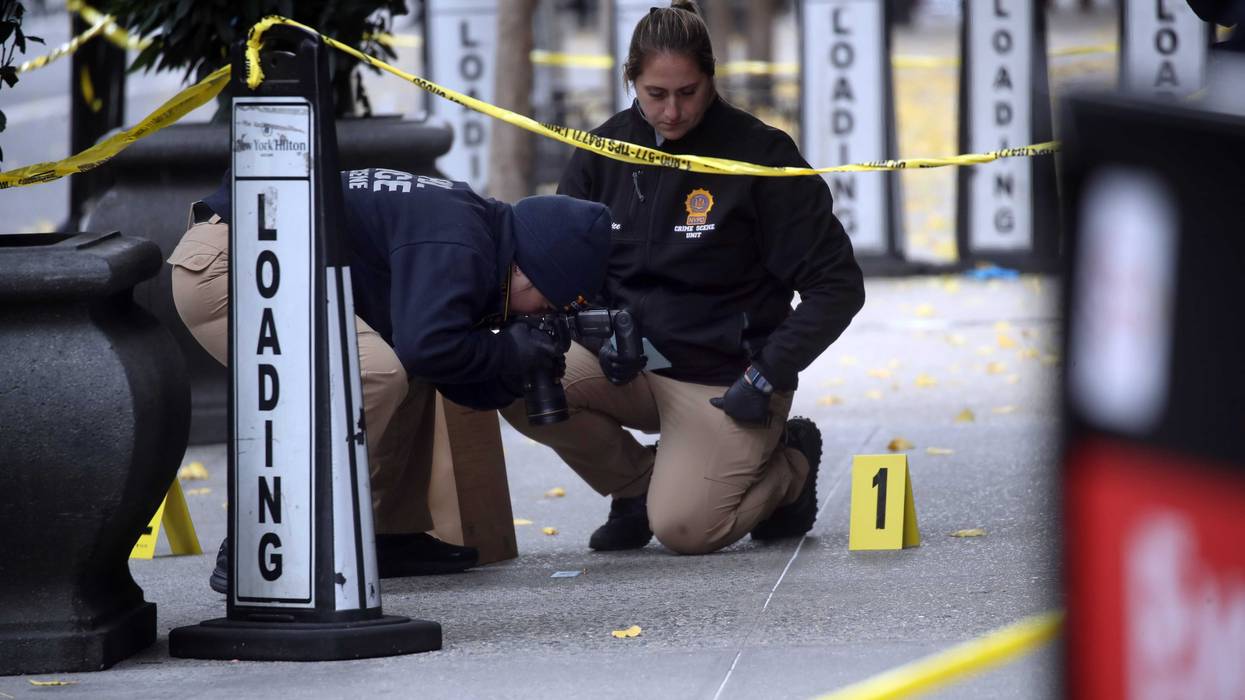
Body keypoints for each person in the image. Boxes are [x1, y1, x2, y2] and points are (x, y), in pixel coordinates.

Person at [502, 0, 865, 555]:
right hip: (623, 361)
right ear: (632, 81)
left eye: (688, 92)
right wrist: (593, 325)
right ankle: (637, 487)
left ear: (711, 78)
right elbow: (557, 272)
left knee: (686, 531)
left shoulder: (762, 156)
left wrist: (766, 375)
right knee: (511, 376)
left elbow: (838, 287)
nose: (671, 112)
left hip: (726, 377)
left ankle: (789, 465)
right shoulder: (600, 153)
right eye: (656, 95)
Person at [169, 168, 612, 592]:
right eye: (545, 305)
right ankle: (263, 537)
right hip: (233, 266)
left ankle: (385, 535)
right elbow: (429, 346)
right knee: (373, 372)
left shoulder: (479, 236)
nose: (539, 316)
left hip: (265, 258)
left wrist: (515, 371)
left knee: (404, 367)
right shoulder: (460, 241)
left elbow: (443, 368)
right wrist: (510, 350)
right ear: (525, 269)